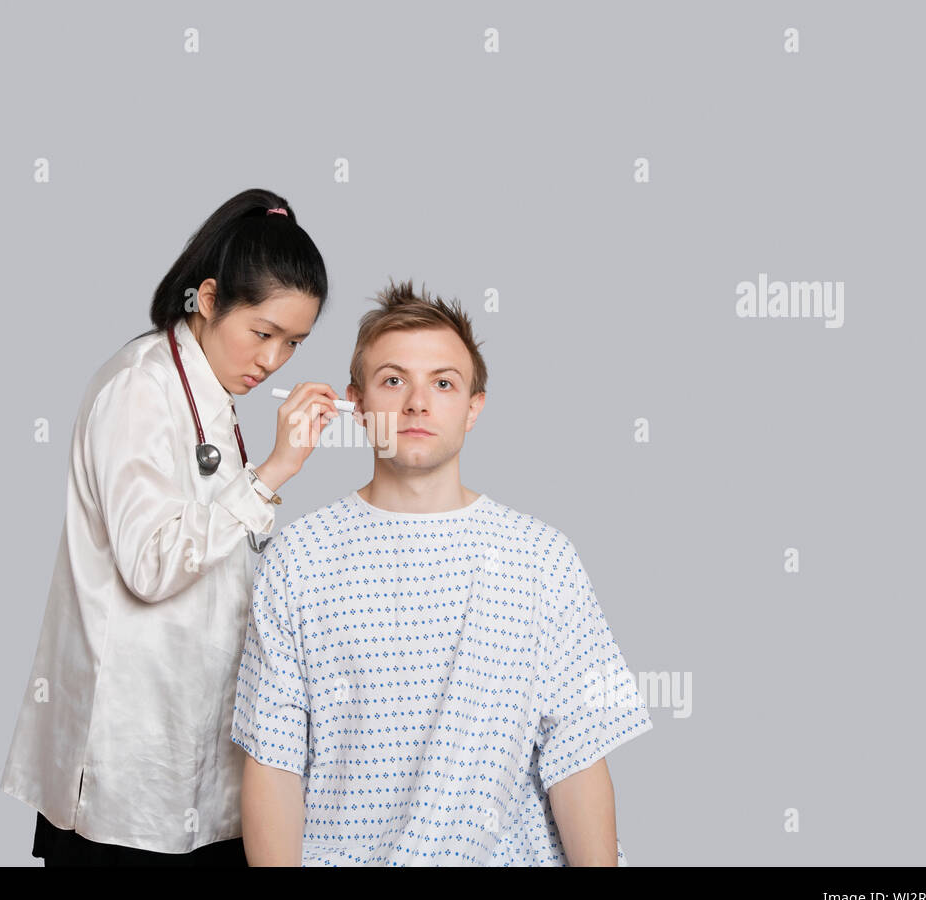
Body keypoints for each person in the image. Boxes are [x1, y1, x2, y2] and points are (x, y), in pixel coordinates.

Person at [232, 278, 654, 866]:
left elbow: (577, 756)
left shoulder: (540, 558)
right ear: (356, 402)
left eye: (444, 383)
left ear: (473, 408)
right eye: (393, 380)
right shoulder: (298, 558)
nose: (417, 403)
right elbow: (273, 764)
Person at [0, 188, 343, 866]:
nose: (273, 361)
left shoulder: (210, 395)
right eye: (263, 333)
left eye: (294, 343)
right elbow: (152, 564)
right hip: (124, 782)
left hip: (199, 765)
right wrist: (271, 474)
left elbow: (221, 560)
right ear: (209, 299)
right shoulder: (139, 387)